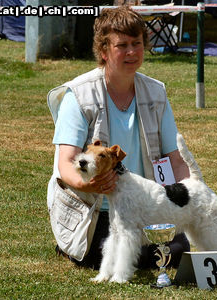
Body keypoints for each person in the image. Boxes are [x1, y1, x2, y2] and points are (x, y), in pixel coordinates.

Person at [47, 6, 190, 270]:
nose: (132, 52)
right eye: (122, 45)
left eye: (137, 43)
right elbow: (65, 164)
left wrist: (191, 194)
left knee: (181, 250)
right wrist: (88, 185)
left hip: (147, 205)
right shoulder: (78, 96)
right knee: (105, 254)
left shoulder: (156, 93)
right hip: (94, 209)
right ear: (103, 51)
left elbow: (175, 159)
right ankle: (72, 246)